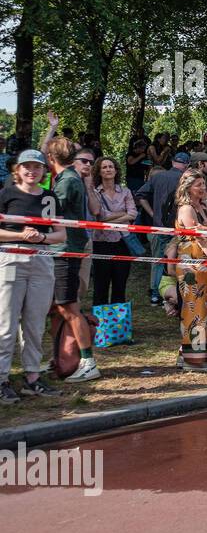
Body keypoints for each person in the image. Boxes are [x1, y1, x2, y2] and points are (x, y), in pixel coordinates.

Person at [0, 150, 65, 402]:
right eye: (27, 166)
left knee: (35, 322)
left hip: (42, 258)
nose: (32, 171)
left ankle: (32, 377)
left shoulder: (49, 197)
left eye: (37, 167)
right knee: (6, 323)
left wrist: (42, 238)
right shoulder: (6, 194)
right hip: (11, 258)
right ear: (18, 169)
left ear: (43, 171)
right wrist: (20, 235)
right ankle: (2, 378)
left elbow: (61, 234)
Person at [46, 138, 100, 382]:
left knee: (70, 307)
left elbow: (49, 215)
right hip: (59, 249)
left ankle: (88, 362)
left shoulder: (67, 181)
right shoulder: (65, 178)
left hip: (66, 251)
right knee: (58, 308)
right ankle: (60, 356)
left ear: (51, 158)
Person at [175, 168, 207, 373]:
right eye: (198, 185)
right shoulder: (185, 208)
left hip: (205, 259)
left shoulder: (204, 206)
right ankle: (193, 360)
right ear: (188, 187)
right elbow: (199, 236)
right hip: (191, 263)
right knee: (195, 310)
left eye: (204, 184)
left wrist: (206, 229)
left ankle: (195, 356)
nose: (203, 188)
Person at [136, 150, 187, 305]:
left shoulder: (157, 176)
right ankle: (172, 294)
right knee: (175, 261)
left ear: (172, 162)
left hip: (158, 226)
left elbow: (140, 195)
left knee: (158, 261)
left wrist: (152, 213)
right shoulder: (184, 179)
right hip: (177, 227)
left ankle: (155, 294)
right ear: (186, 165)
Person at [87, 155, 137, 306]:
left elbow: (133, 213)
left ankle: (117, 327)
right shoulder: (95, 193)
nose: (108, 169)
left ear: (116, 170)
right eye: (104, 167)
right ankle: (100, 326)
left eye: (111, 166)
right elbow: (98, 216)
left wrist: (107, 220)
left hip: (122, 242)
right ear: (99, 172)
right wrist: (122, 215)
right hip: (101, 243)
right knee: (100, 286)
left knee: (120, 285)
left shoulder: (126, 191)